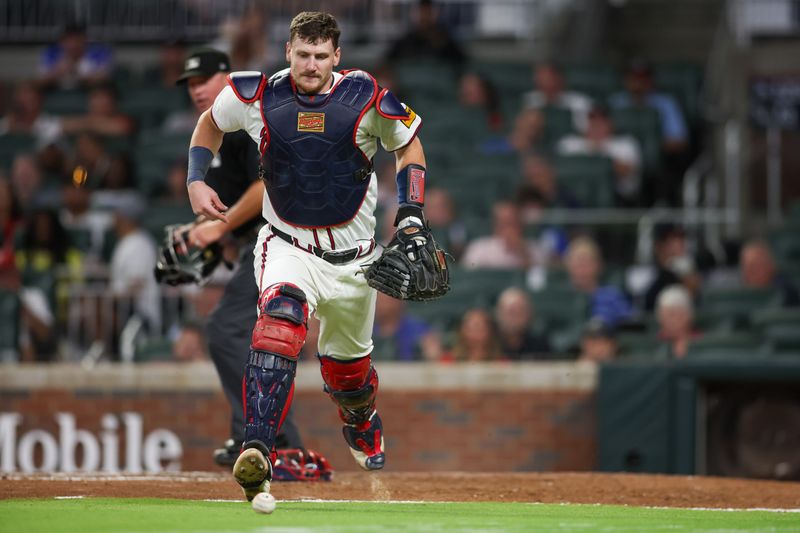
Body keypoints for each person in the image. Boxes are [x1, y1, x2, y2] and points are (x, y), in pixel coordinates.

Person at [185, 12, 428, 501]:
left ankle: (360, 417)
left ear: (337, 56)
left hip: (356, 259)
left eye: (321, 55)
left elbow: (410, 145)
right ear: (288, 53)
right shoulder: (255, 94)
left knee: (348, 374)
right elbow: (209, 123)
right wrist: (195, 180)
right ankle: (257, 447)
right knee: (279, 324)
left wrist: (411, 215)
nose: (311, 64)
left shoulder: (367, 97)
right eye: (303, 54)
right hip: (288, 244)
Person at [173, 48, 305, 467]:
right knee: (237, 334)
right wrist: (201, 234)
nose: (197, 90)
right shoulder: (219, 135)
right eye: (191, 84)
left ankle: (274, 439)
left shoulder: (254, 114)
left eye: (204, 81)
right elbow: (233, 210)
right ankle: (258, 436)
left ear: (228, 77)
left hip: (291, 239)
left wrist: (222, 226)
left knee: (227, 330)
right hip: (265, 241)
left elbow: (269, 187)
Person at [494, 287, 550, 359]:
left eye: (521, 311)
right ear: (499, 313)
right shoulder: (489, 345)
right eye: (511, 312)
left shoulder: (541, 346)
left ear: (529, 314)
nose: (516, 317)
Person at [739, 240, 800, 307]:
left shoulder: (784, 292)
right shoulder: (743, 293)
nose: (748, 273)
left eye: (753, 267)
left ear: (770, 266)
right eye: (745, 268)